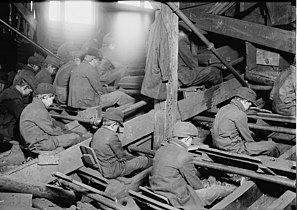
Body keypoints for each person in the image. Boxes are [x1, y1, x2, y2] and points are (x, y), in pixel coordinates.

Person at [149, 122, 236, 210]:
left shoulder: (161, 150)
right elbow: (195, 184)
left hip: (158, 191)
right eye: (192, 139)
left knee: (208, 183)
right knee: (222, 190)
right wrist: (208, 187)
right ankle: (234, 189)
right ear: (187, 139)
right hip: (179, 199)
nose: (192, 142)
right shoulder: (184, 156)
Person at [211, 87, 280, 157]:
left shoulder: (224, 108)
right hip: (231, 149)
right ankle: (274, 162)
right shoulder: (240, 114)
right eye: (249, 105)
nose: (248, 108)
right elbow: (248, 139)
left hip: (217, 144)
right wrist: (257, 144)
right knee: (271, 146)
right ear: (245, 101)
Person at [90, 108, 152, 179]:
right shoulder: (112, 137)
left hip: (103, 167)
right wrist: (133, 158)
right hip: (113, 170)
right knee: (141, 160)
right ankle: (156, 163)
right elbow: (121, 156)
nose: (117, 129)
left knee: (132, 160)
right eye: (118, 126)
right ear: (114, 124)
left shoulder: (97, 133)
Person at [19, 83, 82, 151]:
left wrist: (61, 127)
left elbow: (48, 122)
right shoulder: (39, 110)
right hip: (41, 144)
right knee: (75, 137)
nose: (52, 103)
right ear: (46, 97)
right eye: (52, 99)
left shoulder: (33, 106)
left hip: (33, 140)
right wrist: (66, 133)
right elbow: (52, 131)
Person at [68, 47, 135, 109]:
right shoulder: (90, 69)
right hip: (87, 102)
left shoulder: (78, 67)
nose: (98, 64)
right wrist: (107, 92)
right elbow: (99, 89)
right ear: (94, 59)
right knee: (120, 95)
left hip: (75, 102)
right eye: (98, 61)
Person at [0, 71, 35, 141]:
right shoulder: (14, 99)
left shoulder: (9, 92)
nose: (29, 94)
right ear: (25, 87)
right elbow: (22, 117)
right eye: (30, 90)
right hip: (6, 130)